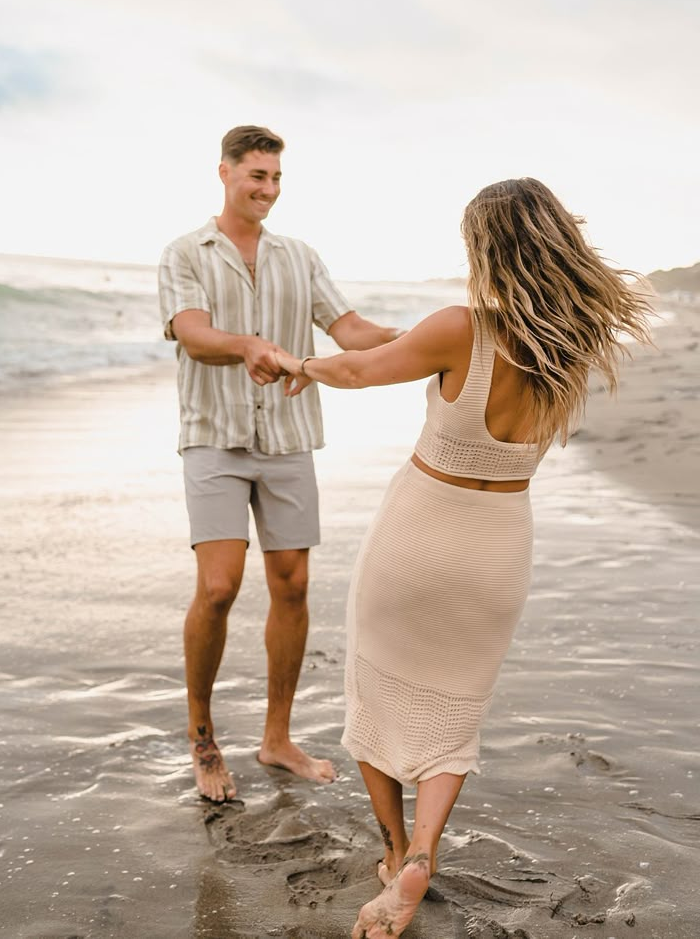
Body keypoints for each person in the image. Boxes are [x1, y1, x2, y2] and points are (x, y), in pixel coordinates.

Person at [274, 177, 654, 939]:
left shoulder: (462, 327)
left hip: (420, 531)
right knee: (454, 717)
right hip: (499, 543)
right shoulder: (571, 347)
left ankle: (391, 855)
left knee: (373, 692)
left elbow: (355, 370)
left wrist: (299, 364)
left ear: (487, 250)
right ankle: (424, 852)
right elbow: (394, 348)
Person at [158, 125, 402, 804]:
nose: (267, 190)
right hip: (214, 436)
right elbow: (191, 334)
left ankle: (277, 738)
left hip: (290, 437)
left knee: (292, 585)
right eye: (256, 176)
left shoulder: (300, 255)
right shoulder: (186, 252)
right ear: (225, 173)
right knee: (218, 586)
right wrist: (246, 346)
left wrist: (416, 336)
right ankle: (204, 739)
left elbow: (348, 330)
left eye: (275, 179)